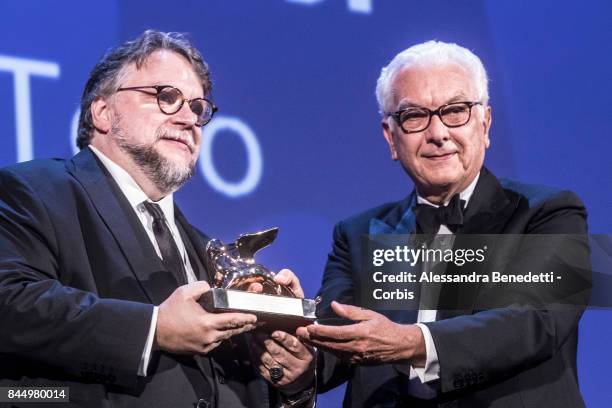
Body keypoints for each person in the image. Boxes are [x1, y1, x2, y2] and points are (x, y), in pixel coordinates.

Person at [0, 30, 313, 408]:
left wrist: (286, 375)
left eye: (198, 108)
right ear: (103, 111)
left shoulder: (203, 248)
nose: (188, 119)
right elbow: (9, 302)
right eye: (167, 97)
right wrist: (152, 330)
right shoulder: (32, 190)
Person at [297, 41, 590, 407]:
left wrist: (413, 343)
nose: (437, 133)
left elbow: (535, 320)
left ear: (485, 123)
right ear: (391, 137)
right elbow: (335, 340)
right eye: (415, 116)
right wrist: (296, 355)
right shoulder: (357, 234)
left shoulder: (549, 213)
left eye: (455, 111)